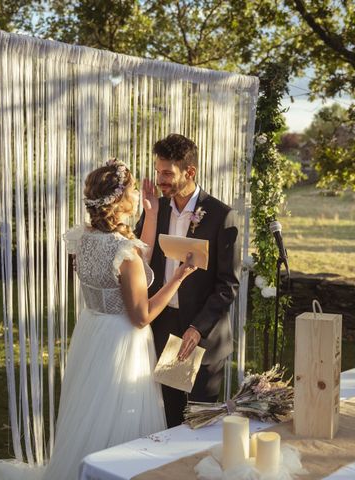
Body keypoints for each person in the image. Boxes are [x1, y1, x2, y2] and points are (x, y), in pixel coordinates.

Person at [0, 159, 196, 480]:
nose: (136, 193)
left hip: (94, 334)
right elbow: (141, 316)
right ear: (119, 199)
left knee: (92, 413)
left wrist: (151, 216)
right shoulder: (124, 252)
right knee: (120, 416)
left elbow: (136, 256)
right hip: (123, 343)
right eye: (133, 189)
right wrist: (178, 277)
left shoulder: (86, 239)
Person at [135, 133, 240, 428]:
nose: (160, 180)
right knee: (171, 417)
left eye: (167, 173)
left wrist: (198, 327)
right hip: (165, 324)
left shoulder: (222, 216)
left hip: (201, 332)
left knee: (199, 419)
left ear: (189, 172)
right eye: (158, 172)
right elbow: (138, 257)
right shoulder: (156, 211)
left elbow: (228, 284)